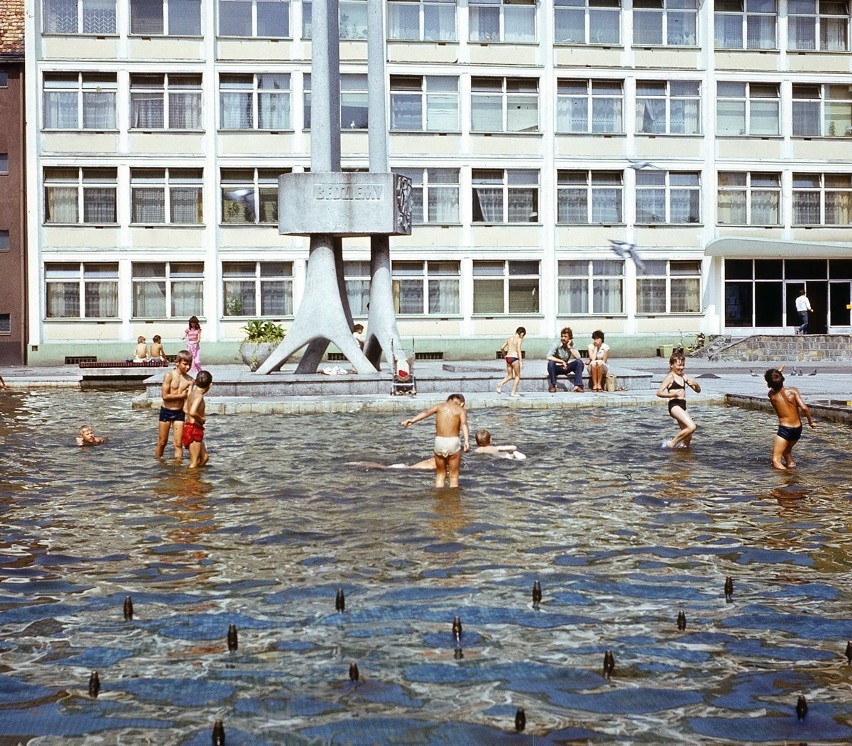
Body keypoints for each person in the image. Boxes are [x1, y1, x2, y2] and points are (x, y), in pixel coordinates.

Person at [346, 428, 524, 470]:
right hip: (425, 466)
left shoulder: (476, 451)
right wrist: (511, 452)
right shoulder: (494, 449)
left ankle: (360, 462)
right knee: (398, 469)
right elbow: (512, 447)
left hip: (425, 464)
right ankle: (360, 463)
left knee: (397, 468)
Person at [401, 394, 470, 488]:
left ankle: (439, 499)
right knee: (453, 476)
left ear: (448, 400)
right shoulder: (461, 410)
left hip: (439, 441)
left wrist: (412, 420)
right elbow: (464, 424)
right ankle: (453, 501)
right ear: (462, 403)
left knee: (440, 474)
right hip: (453, 441)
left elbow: (426, 413)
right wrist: (466, 440)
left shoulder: (439, 406)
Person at [764, 368, 815, 470]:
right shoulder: (793, 390)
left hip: (785, 430)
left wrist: (776, 373)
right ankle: (792, 472)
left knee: (775, 461)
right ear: (783, 379)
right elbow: (804, 408)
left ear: (769, 384)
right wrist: (811, 422)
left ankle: (784, 481)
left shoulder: (771, 395)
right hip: (798, 428)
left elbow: (773, 384)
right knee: (786, 452)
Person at [656, 352, 702, 448]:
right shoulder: (670, 377)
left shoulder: (683, 376)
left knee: (688, 436)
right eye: (679, 365)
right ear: (672, 365)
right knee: (692, 427)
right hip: (674, 405)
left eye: (683, 365)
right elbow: (659, 392)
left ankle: (683, 457)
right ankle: (671, 444)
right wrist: (671, 394)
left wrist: (696, 384)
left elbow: (698, 391)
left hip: (683, 405)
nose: (681, 368)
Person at [156, 350, 194, 461]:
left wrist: (191, 387)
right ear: (177, 363)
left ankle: (178, 469)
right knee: (162, 442)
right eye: (185, 364)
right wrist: (181, 396)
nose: (187, 367)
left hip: (179, 412)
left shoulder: (189, 380)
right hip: (166, 411)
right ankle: (158, 463)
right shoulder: (169, 376)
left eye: (189, 364)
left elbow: (190, 399)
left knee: (178, 444)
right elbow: (165, 396)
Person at [183, 369, 212, 468]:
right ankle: (189, 481)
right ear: (210, 385)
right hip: (193, 429)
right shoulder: (199, 396)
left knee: (205, 458)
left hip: (191, 428)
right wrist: (201, 419)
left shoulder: (192, 394)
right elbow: (192, 411)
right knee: (194, 462)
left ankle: (196, 480)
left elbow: (185, 409)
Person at [546, 327, 585, 393]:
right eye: (562, 336)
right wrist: (562, 361)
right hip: (557, 368)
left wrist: (569, 347)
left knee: (579, 362)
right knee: (550, 363)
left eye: (565, 336)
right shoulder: (557, 343)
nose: (563, 338)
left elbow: (578, 357)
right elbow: (548, 356)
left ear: (569, 338)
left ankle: (578, 385)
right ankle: (553, 385)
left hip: (566, 367)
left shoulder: (572, 345)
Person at [496, 326, 526, 397]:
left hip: (508, 358)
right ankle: (513, 393)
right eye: (523, 335)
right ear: (521, 333)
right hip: (514, 358)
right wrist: (521, 362)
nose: (523, 337)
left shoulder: (509, 338)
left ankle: (500, 384)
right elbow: (518, 350)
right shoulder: (519, 339)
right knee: (517, 376)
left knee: (510, 376)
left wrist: (504, 355)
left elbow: (502, 347)